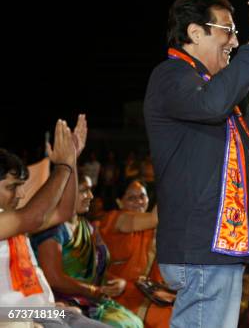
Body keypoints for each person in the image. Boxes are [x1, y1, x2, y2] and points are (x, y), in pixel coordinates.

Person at [143, 0, 249, 328]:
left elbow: (242, 153)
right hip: (201, 246)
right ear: (195, 33)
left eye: (238, 32)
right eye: (227, 30)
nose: (235, 41)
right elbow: (214, 105)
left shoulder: (204, 91)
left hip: (215, 248)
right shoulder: (171, 76)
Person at [1, 116, 109, 327]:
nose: (21, 194)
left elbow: (63, 211)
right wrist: (62, 166)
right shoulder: (18, 220)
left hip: (43, 312)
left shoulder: (15, 222)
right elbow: (34, 216)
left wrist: (72, 161)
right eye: (12, 186)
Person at [31, 174, 143, 328]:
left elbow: (94, 269)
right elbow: (54, 279)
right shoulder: (51, 230)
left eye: (90, 190)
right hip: (63, 301)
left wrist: (115, 282)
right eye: (83, 191)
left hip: (91, 299)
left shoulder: (87, 227)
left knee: (134, 322)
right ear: (64, 193)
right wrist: (91, 290)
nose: (90, 196)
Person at [99, 180, 172, 328]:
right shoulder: (113, 219)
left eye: (142, 196)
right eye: (131, 198)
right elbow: (154, 218)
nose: (139, 202)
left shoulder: (156, 229)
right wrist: (174, 177)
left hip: (149, 296)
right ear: (119, 202)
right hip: (117, 295)